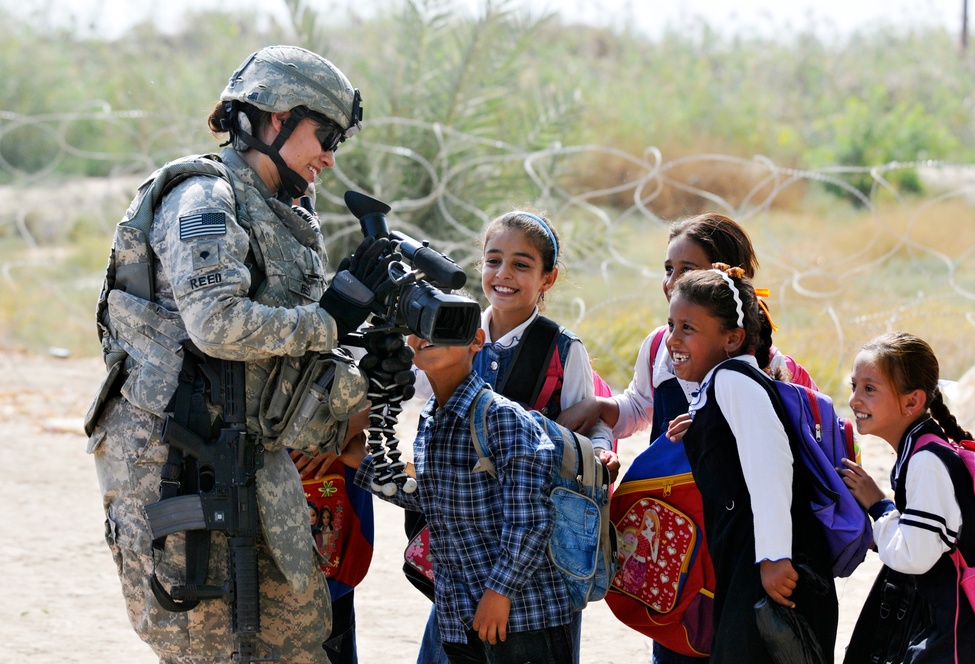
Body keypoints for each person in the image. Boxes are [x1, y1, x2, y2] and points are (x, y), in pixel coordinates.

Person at [84, 45, 395, 662]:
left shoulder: (283, 217)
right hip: (179, 464)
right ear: (275, 119)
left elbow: (282, 367)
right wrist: (328, 321)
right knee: (210, 648)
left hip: (255, 459)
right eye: (324, 134)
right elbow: (217, 324)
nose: (329, 156)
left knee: (301, 641)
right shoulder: (203, 198)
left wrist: (366, 368)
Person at [558, 212, 815, 664]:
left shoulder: (762, 366)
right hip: (677, 529)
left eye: (688, 269)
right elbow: (641, 405)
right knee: (675, 626)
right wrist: (602, 408)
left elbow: (773, 458)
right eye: (668, 268)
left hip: (734, 529)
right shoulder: (662, 344)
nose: (672, 280)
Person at [408, 209, 616, 663]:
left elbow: (594, 425)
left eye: (522, 265)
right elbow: (422, 401)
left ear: (548, 278)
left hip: (536, 545)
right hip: (466, 544)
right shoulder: (453, 333)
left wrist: (600, 452)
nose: (503, 274)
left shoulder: (563, 348)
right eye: (493, 260)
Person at [340, 327, 577, 664]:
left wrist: (499, 592)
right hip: (459, 615)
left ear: (477, 341)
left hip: (522, 618)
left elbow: (532, 520)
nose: (429, 335)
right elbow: (435, 500)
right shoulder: (432, 418)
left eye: (445, 324)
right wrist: (364, 464)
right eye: (419, 327)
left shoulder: (503, 417)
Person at [665, 265, 838, 663]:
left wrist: (775, 557)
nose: (672, 338)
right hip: (749, 558)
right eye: (671, 324)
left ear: (732, 338)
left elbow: (770, 468)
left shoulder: (732, 380)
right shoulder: (728, 381)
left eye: (687, 328)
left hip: (770, 566)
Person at [838, 332, 975, 663]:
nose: (854, 400)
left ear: (912, 402)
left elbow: (914, 554)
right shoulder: (921, 450)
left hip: (956, 636)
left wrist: (879, 510)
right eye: (854, 386)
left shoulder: (926, 461)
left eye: (869, 389)